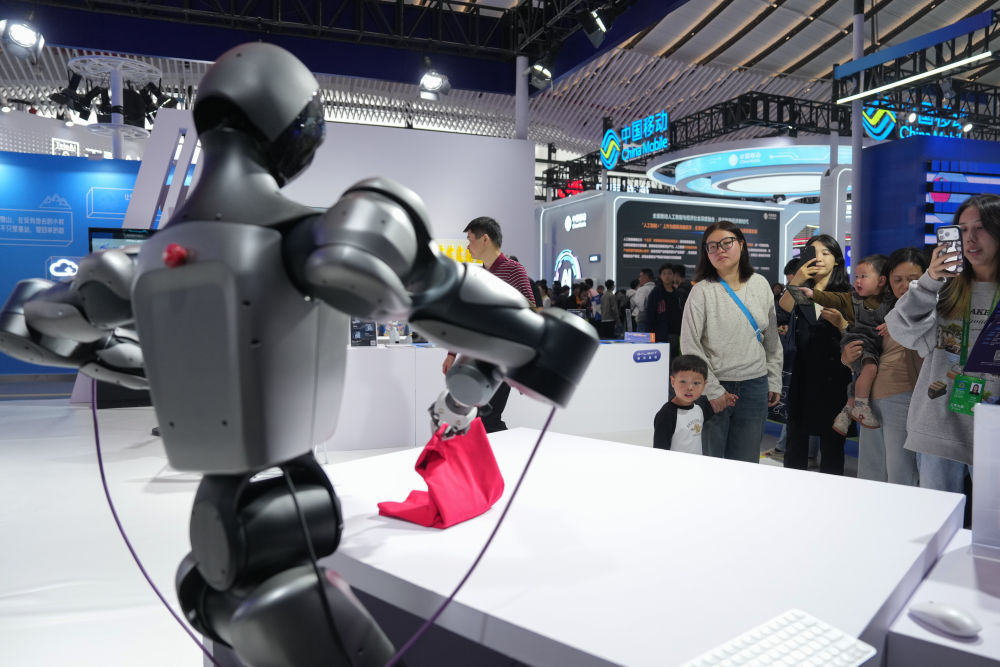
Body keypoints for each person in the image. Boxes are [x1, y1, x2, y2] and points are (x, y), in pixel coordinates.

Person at [886, 194, 1000, 493]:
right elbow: (901, 330)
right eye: (962, 229)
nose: (970, 238)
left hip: (994, 429)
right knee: (936, 516)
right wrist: (930, 280)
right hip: (938, 425)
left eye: (981, 227)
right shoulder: (943, 291)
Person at [680, 221, 783, 463]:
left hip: (755, 386)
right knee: (712, 462)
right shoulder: (702, 291)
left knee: (746, 461)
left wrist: (773, 378)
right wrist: (712, 390)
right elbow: (690, 345)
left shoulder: (760, 284)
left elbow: (771, 339)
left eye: (727, 243)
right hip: (716, 386)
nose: (720, 250)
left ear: (742, 245)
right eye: (712, 246)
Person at [441, 216, 536, 432]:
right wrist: (451, 353)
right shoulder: (477, 275)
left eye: (470, 239)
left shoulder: (514, 270)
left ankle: (507, 451)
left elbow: (531, 315)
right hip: (478, 357)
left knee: (489, 418)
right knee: (477, 418)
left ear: (485, 239)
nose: (467, 246)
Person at [843, 248, 926, 485]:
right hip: (871, 398)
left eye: (913, 279)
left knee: (901, 471)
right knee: (871, 469)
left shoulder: (930, 309)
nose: (905, 286)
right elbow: (860, 343)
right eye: (897, 279)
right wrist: (848, 357)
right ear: (887, 280)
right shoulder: (883, 307)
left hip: (905, 395)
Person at [778, 235, 853, 475]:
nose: (818, 258)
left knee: (833, 448)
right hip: (802, 376)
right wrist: (798, 278)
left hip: (835, 379)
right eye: (813, 252)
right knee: (795, 446)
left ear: (837, 260)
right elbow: (782, 311)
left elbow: (857, 336)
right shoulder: (802, 290)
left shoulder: (847, 294)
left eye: (825, 253)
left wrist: (842, 324)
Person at [798, 254, 894, 433]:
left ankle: (846, 412)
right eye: (856, 276)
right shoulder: (853, 299)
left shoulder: (890, 301)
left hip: (872, 346)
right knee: (870, 368)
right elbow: (834, 298)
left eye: (863, 276)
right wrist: (813, 294)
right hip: (858, 341)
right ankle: (861, 406)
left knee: (860, 377)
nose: (858, 281)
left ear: (881, 281)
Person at [653, 354, 734, 454]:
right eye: (683, 381)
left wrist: (726, 401)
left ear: (704, 385)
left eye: (696, 383)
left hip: (697, 463)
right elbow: (659, 451)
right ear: (673, 381)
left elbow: (713, 408)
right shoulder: (666, 415)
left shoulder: (699, 408)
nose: (690, 387)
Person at [645, 262, 682, 355]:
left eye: (669, 273)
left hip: (675, 333)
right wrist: (650, 334)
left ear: (673, 275)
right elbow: (650, 313)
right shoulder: (656, 292)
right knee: (661, 358)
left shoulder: (677, 294)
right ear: (661, 276)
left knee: (673, 358)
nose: (667, 276)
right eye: (664, 273)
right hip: (659, 333)